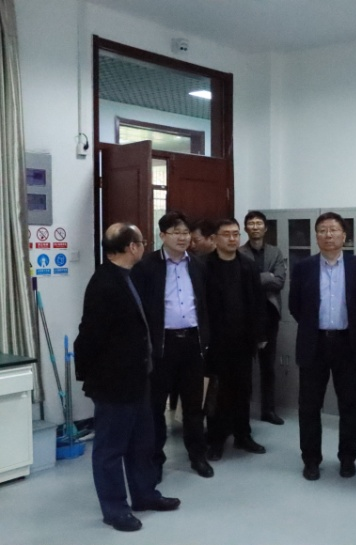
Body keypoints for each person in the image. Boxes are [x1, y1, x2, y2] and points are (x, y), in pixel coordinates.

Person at [74, 223, 180, 532]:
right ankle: (114, 509)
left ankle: (144, 494)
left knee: (141, 443)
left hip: (138, 377)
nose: (145, 246)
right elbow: (90, 337)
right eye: (142, 241)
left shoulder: (129, 276)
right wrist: (93, 378)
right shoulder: (104, 284)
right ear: (132, 247)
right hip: (113, 383)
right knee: (110, 450)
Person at [288, 212, 356, 481]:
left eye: (334, 230)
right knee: (309, 406)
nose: (328, 235)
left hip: (348, 344)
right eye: (322, 230)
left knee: (350, 405)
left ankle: (348, 457)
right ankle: (311, 459)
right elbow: (295, 306)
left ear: (344, 236)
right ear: (316, 236)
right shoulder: (304, 267)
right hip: (314, 343)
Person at [131, 212, 212, 481]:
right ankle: (155, 459)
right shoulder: (146, 266)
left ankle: (197, 456)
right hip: (162, 345)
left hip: (192, 342)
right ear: (162, 235)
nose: (182, 237)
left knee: (193, 405)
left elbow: (205, 305)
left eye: (186, 232)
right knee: (156, 406)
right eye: (176, 232)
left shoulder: (198, 265)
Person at [204, 218, 267, 461]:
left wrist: (259, 334)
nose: (232, 239)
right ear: (215, 238)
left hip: (243, 341)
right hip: (215, 342)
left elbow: (258, 302)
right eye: (227, 234)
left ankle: (243, 435)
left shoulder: (248, 265)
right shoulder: (204, 266)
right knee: (217, 392)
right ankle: (216, 439)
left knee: (243, 389)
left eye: (236, 234)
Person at [239, 211, 287, 425]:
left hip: (269, 314)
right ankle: (242, 412)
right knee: (244, 368)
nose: (255, 227)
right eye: (251, 223)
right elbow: (239, 283)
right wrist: (267, 277)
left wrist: (253, 280)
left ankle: (268, 410)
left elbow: (279, 282)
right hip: (245, 315)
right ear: (246, 228)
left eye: (259, 223)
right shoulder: (239, 252)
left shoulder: (275, 252)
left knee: (268, 366)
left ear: (265, 228)